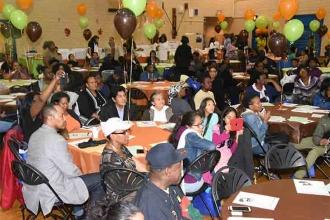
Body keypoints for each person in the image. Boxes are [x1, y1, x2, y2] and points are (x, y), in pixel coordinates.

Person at [23, 104, 104, 217]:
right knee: (101, 178)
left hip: (34, 188)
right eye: (61, 116)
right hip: (52, 190)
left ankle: (78, 211)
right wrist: (84, 175)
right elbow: (70, 172)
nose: (65, 119)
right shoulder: (56, 140)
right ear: (50, 118)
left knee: (82, 178)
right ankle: (90, 217)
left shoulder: (34, 135)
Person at [100, 118, 147, 202]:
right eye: (123, 132)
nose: (128, 134)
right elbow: (129, 185)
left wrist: (150, 173)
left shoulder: (121, 147)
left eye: (127, 131)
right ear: (112, 136)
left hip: (131, 185)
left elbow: (136, 163)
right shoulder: (111, 159)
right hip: (122, 197)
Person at [134, 143, 186, 220]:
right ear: (168, 171)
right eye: (179, 168)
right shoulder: (151, 207)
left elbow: (183, 209)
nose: (182, 172)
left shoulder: (170, 186)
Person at [176, 111, 215, 193]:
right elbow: (212, 146)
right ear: (188, 126)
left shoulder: (180, 131)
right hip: (192, 181)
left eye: (202, 123)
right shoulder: (190, 135)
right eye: (198, 125)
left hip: (185, 177)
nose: (202, 127)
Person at [20, 70, 64, 142]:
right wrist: (55, 79)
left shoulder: (41, 114)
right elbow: (42, 99)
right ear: (30, 103)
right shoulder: (29, 114)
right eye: (37, 100)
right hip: (35, 148)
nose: (40, 102)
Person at [294, 113, 330, 178]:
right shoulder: (325, 118)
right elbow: (317, 135)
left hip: (328, 147)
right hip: (321, 140)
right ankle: (310, 165)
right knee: (295, 143)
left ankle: (297, 177)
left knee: (314, 152)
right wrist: (320, 141)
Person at [212, 107, 243, 172]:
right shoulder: (217, 128)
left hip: (227, 159)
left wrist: (237, 136)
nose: (231, 120)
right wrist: (226, 131)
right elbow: (215, 142)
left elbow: (232, 151)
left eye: (234, 118)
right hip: (217, 158)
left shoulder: (234, 130)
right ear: (223, 118)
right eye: (229, 117)